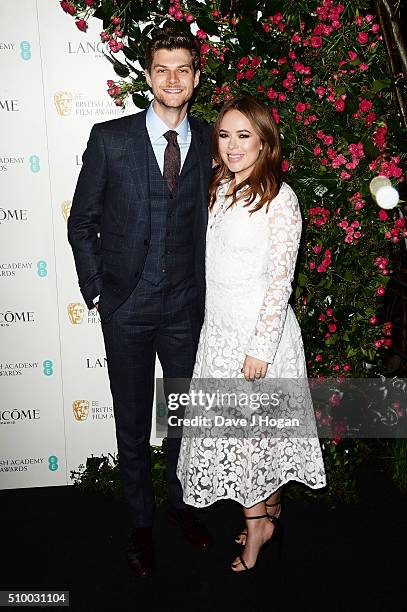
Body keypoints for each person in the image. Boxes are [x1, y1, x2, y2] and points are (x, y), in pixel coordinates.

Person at [68, 26, 213, 578]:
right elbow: (81, 224)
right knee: (131, 422)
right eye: (162, 69)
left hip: (184, 309)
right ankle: (140, 524)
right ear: (147, 76)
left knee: (181, 419)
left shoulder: (209, 139)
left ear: (196, 79)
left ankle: (181, 507)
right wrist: (99, 291)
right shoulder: (111, 139)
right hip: (126, 307)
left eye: (183, 69)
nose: (172, 79)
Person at [177, 96, 326, 572]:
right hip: (218, 334)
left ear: (264, 141)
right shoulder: (220, 187)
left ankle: (258, 528)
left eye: (244, 135)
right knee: (254, 435)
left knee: (250, 436)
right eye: (224, 135)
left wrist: (260, 347)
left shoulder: (280, 199)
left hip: (258, 341)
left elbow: (281, 281)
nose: (232, 145)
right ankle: (269, 512)